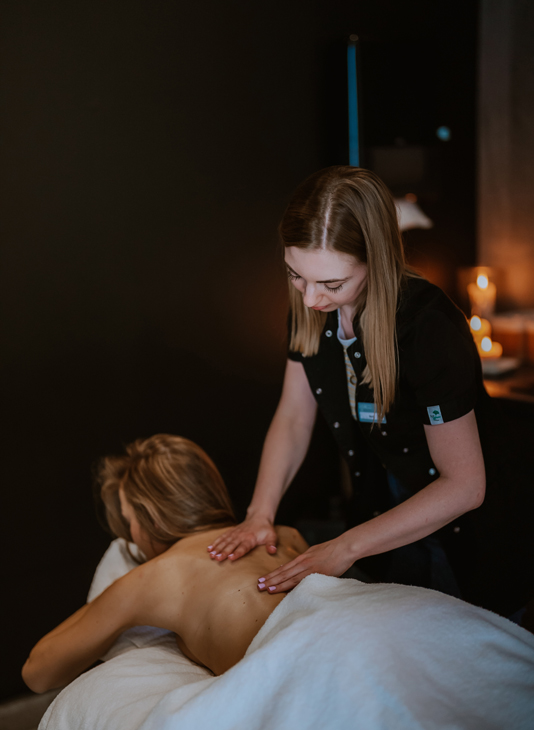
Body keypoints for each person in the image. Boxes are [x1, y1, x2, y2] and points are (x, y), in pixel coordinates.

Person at [208, 166, 532, 617]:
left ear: (375, 259)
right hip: (381, 515)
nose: (310, 299)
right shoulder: (311, 309)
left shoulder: (428, 327)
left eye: (332, 284)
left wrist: (345, 547)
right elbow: (294, 417)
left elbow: (464, 486)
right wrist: (259, 514)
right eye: (295, 275)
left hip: (467, 533)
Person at [22, 434, 307, 692]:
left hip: (293, 677)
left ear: (153, 519)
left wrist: (108, 603)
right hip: (330, 634)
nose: (131, 537)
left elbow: (37, 673)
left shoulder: (152, 577)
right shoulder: (286, 537)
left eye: (130, 520)